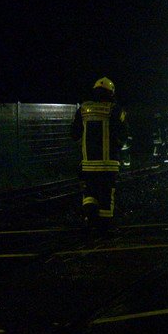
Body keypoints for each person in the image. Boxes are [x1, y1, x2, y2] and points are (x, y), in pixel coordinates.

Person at [71, 76, 129, 234]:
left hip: (88, 163)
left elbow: (74, 134)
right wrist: (116, 146)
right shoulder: (116, 110)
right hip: (108, 163)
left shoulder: (83, 109)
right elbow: (124, 134)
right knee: (106, 193)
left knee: (89, 192)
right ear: (111, 93)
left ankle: (90, 219)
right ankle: (106, 227)